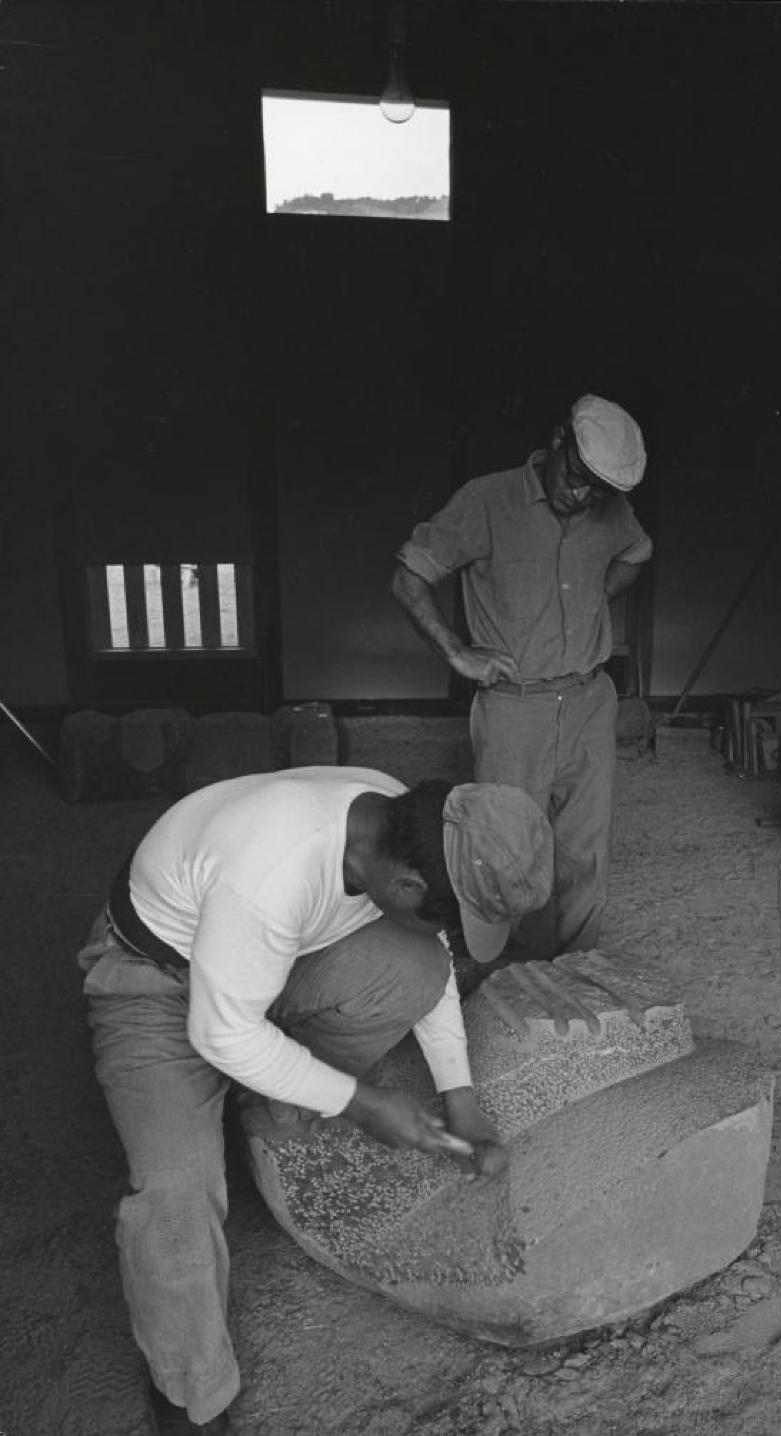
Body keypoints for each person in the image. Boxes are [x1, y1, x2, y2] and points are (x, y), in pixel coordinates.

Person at [77, 767, 553, 1436]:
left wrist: (461, 1094)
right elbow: (220, 1031)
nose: (440, 923)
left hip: (264, 960)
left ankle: (269, 1103)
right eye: (440, 910)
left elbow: (431, 951)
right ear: (405, 885)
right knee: (176, 1192)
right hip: (156, 979)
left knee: (417, 965)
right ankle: (192, 1396)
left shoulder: (402, 822)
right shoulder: (270, 875)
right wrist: (360, 1101)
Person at [392, 393, 652, 959]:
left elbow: (636, 553)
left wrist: (592, 602)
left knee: (586, 849)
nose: (581, 496)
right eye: (577, 478)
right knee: (509, 846)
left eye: (598, 492)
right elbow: (409, 576)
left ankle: (580, 968)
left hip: (589, 699)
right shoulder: (487, 501)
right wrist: (456, 651)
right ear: (559, 440)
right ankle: (523, 975)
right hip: (514, 708)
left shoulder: (612, 512)